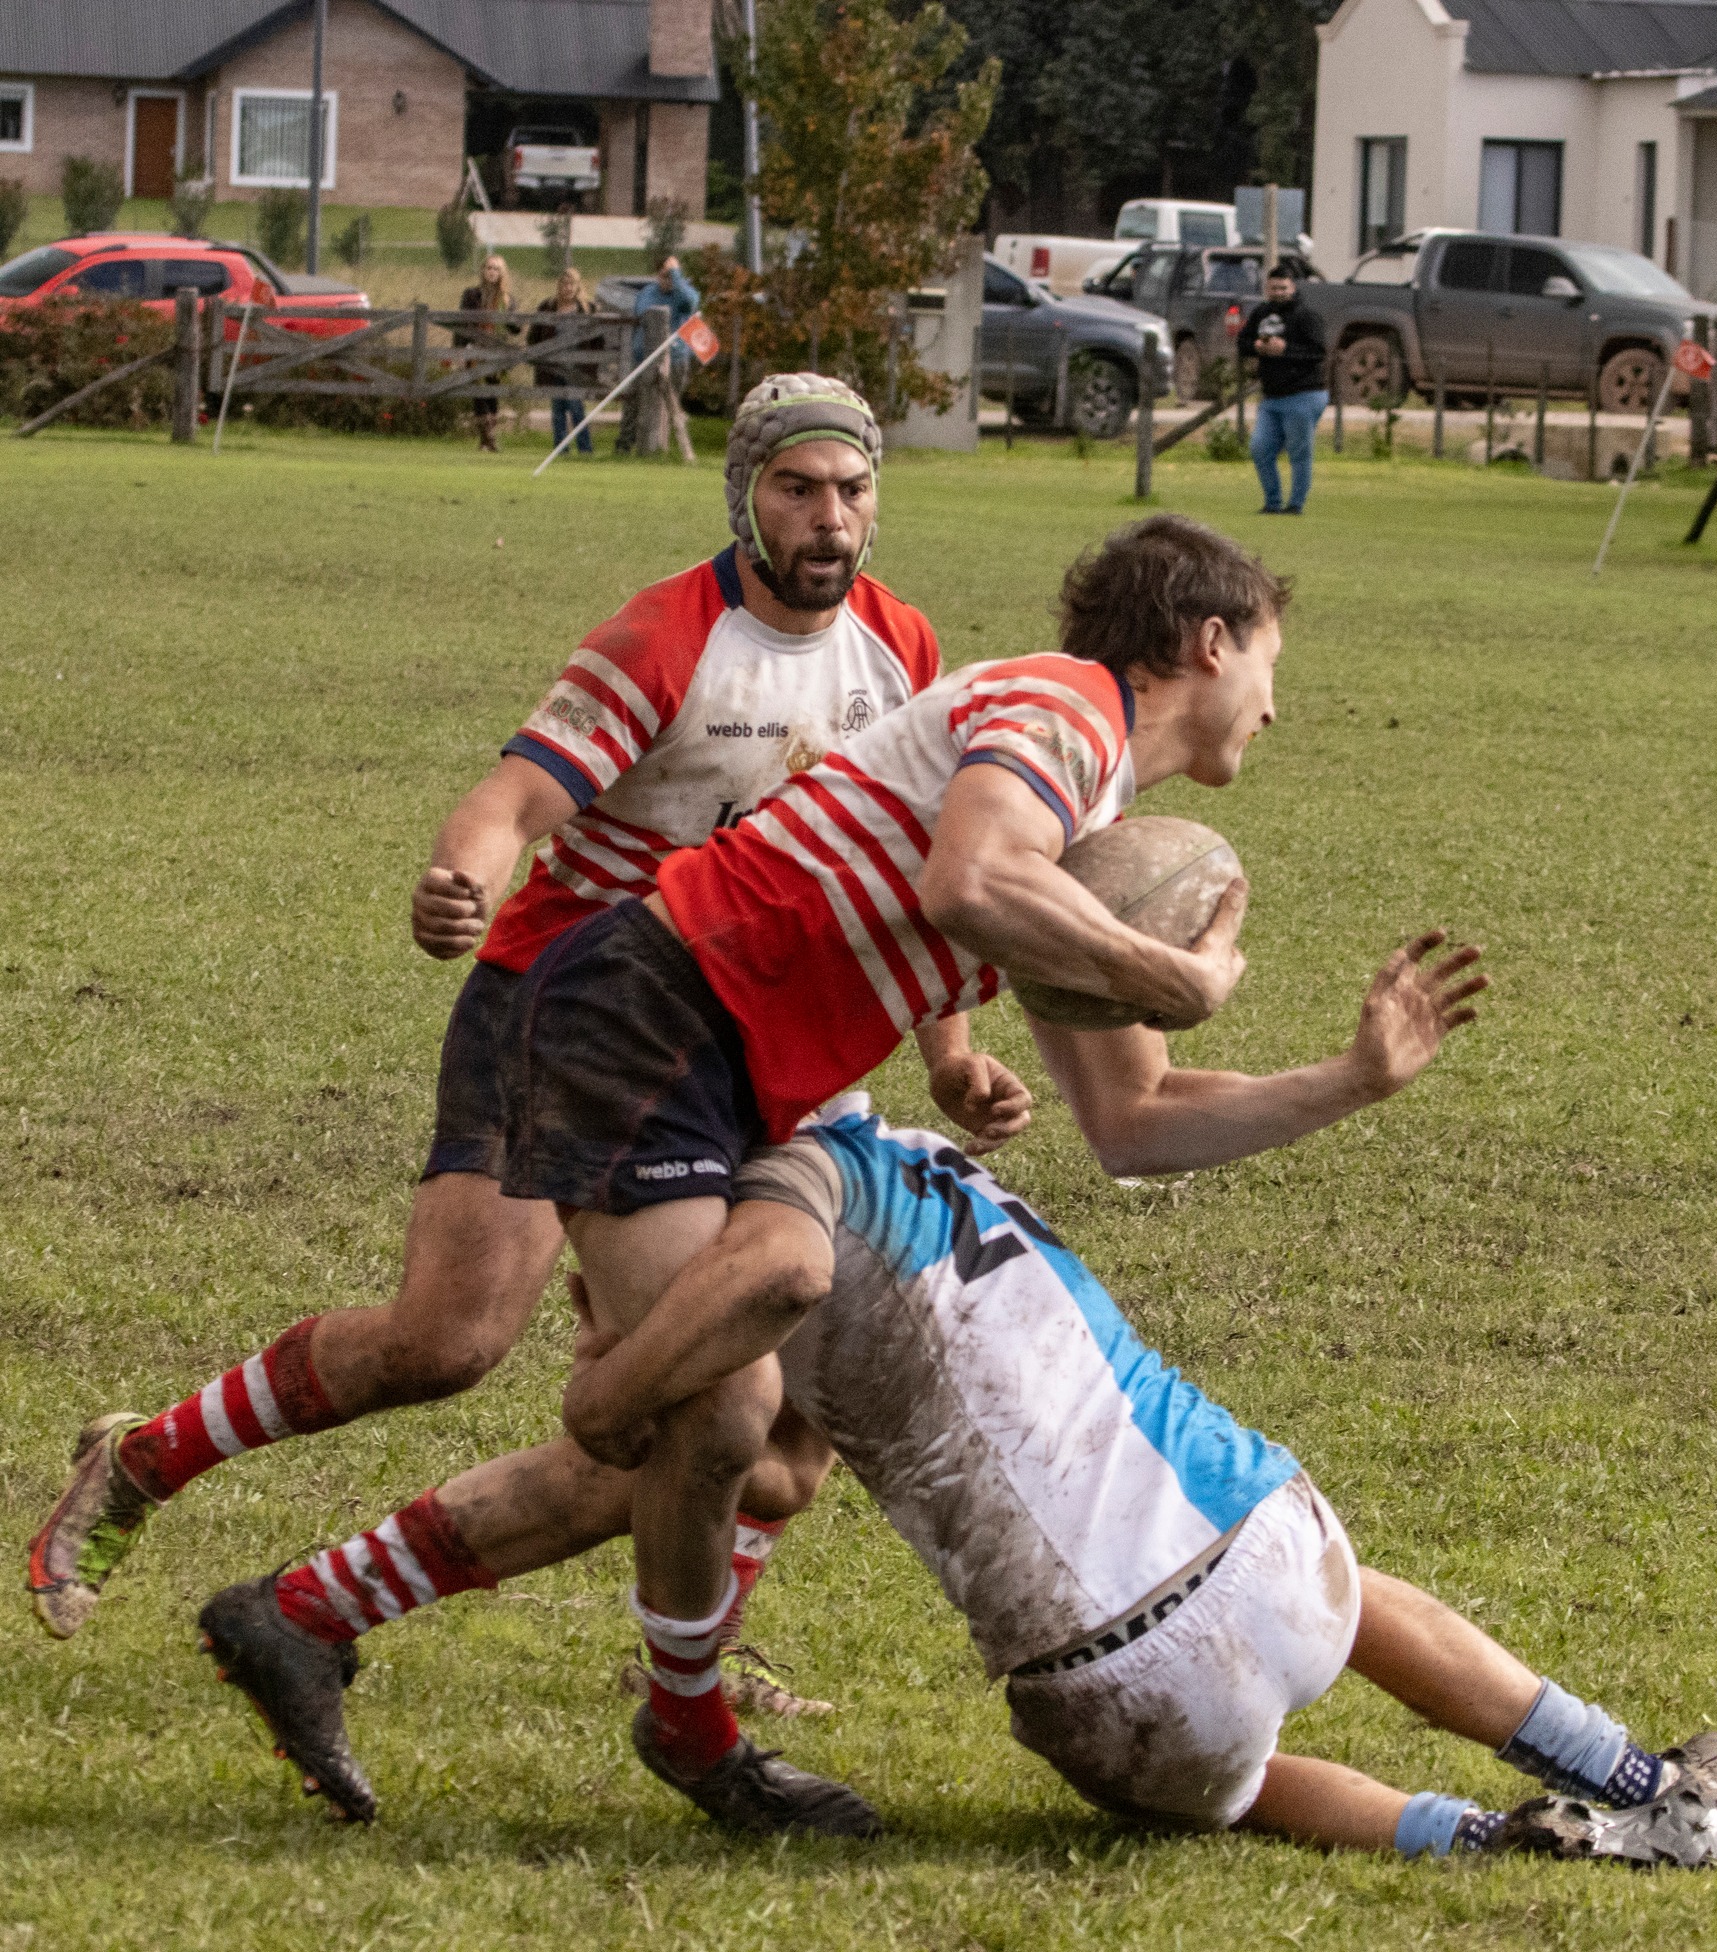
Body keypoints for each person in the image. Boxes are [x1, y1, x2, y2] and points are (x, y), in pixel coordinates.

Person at [474, 514, 1484, 1832]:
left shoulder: (1084, 816)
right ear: (1212, 640)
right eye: (1271, 667)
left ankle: (404, 1622)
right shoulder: (1062, 708)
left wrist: (1346, 1082)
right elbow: (969, 881)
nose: (1275, 709)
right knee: (714, 1401)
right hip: (654, 1006)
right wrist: (1174, 975)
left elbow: (1132, 1121)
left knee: (750, 1440)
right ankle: (680, 1707)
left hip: (742, 1067)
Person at [27, 375, 1029, 1645]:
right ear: (746, 497)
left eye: (851, 489)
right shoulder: (665, 637)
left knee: (778, 1435)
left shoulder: (902, 651)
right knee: (445, 1340)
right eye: (796, 488)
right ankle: (141, 1461)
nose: (828, 518)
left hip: (754, 1045)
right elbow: (511, 799)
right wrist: (462, 880)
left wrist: (952, 1053)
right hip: (567, 1006)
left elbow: (916, 864)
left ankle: (692, 1656)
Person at [193, 1095, 1717, 1872]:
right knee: (1357, 1617)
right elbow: (790, 1461)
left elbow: (718, 1432)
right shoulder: (912, 1143)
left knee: (1230, 1785)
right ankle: (1626, 1779)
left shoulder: (757, 1216)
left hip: (1108, 1689)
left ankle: (1479, 1844)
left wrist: (615, 1364)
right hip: (1268, 1544)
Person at [1237, 264, 1329, 516]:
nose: (1278, 293)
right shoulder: (1260, 313)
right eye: (1273, 288)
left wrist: (1285, 350)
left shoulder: (1306, 316)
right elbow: (1242, 343)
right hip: (1271, 396)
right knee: (1260, 448)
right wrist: (1257, 345)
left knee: (1299, 451)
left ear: (1293, 287)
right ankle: (1272, 502)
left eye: (1283, 288)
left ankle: (1295, 505)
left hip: (1304, 394)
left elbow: (1319, 352)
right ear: (1267, 288)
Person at [615, 254, 699, 458]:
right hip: (643, 357)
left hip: (675, 359)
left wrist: (676, 276)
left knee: (668, 405)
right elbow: (642, 312)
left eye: (671, 276)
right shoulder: (647, 293)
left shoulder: (684, 292)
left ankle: (660, 447)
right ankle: (623, 447)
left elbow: (690, 304)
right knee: (633, 401)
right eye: (664, 275)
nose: (667, 280)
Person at [529, 267, 599, 456]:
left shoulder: (587, 308)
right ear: (558, 285)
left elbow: (598, 340)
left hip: (576, 366)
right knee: (558, 408)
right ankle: (561, 448)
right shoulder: (548, 306)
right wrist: (539, 356)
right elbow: (534, 335)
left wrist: (591, 363)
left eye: (572, 284)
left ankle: (585, 448)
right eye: (564, 284)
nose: (567, 288)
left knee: (576, 407)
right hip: (553, 366)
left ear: (578, 286)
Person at [461, 253, 518, 454]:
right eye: (489, 268)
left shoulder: (507, 299)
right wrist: (458, 350)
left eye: (496, 269)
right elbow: (462, 324)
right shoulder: (471, 295)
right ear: (483, 271)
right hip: (476, 349)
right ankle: (490, 438)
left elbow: (515, 328)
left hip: (497, 352)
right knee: (478, 393)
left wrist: (514, 322)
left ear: (502, 273)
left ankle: (486, 441)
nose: (492, 272)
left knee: (492, 394)